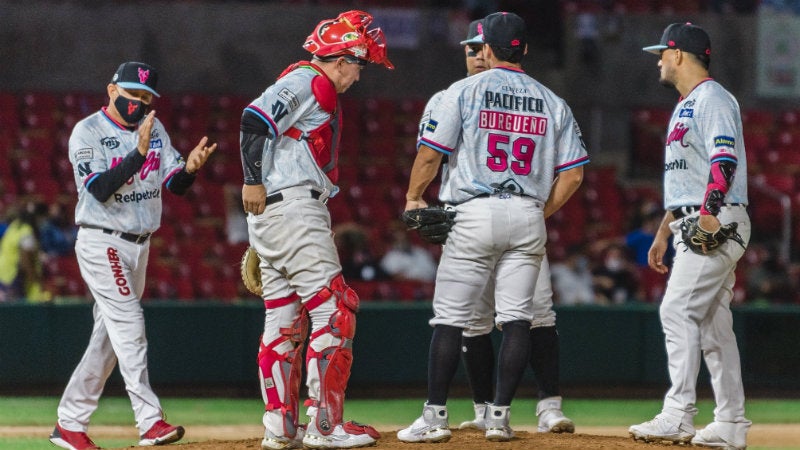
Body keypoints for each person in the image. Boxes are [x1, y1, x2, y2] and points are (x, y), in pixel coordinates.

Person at [397, 12, 588, 443]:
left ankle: (435, 416)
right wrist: (537, 214)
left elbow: (430, 155)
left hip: (473, 210)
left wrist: (412, 197)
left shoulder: (463, 91)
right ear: (523, 49)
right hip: (527, 212)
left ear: (485, 49)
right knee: (518, 319)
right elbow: (573, 175)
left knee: (451, 319)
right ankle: (500, 418)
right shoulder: (553, 100)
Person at [239, 10, 393, 450]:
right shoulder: (313, 80)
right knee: (334, 310)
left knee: (284, 321)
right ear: (342, 58)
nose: (359, 75)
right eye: (359, 64)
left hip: (277, 212)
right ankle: (327, 426)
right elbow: (254, 120)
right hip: (293, 209)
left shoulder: (307, 82)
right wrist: (252, 180)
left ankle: (280, 427)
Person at [50, 61, 217, 450]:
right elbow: (101, 188)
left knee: (107, 340)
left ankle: (69, 424)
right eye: (131, 94)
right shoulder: (87, 131)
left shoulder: (154, 128)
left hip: (139, 245)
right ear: (112, 90)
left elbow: (174, 184)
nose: (138, 103)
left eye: (145, 97)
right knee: (130, 327)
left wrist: (189, 169)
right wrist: (138, 153)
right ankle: (150, 422)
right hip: (102, 240)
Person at [629, 23, 752, 450]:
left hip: (717, 220)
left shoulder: (713, 98)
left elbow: (724, 158)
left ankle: (678, 414)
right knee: (715, 328)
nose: (659, 60)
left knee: (676, 309)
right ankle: (731, 423)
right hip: (691, 219)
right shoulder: (688, 102)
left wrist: (710, 214)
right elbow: (691, 176)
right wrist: (664, 230)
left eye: (662, 52)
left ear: (679, 54)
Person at [0, 200, 50, 303]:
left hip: (4, 276)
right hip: (13, 278)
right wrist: (35, 279)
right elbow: (25, 261)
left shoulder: (14, 227)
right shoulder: (26, 233)